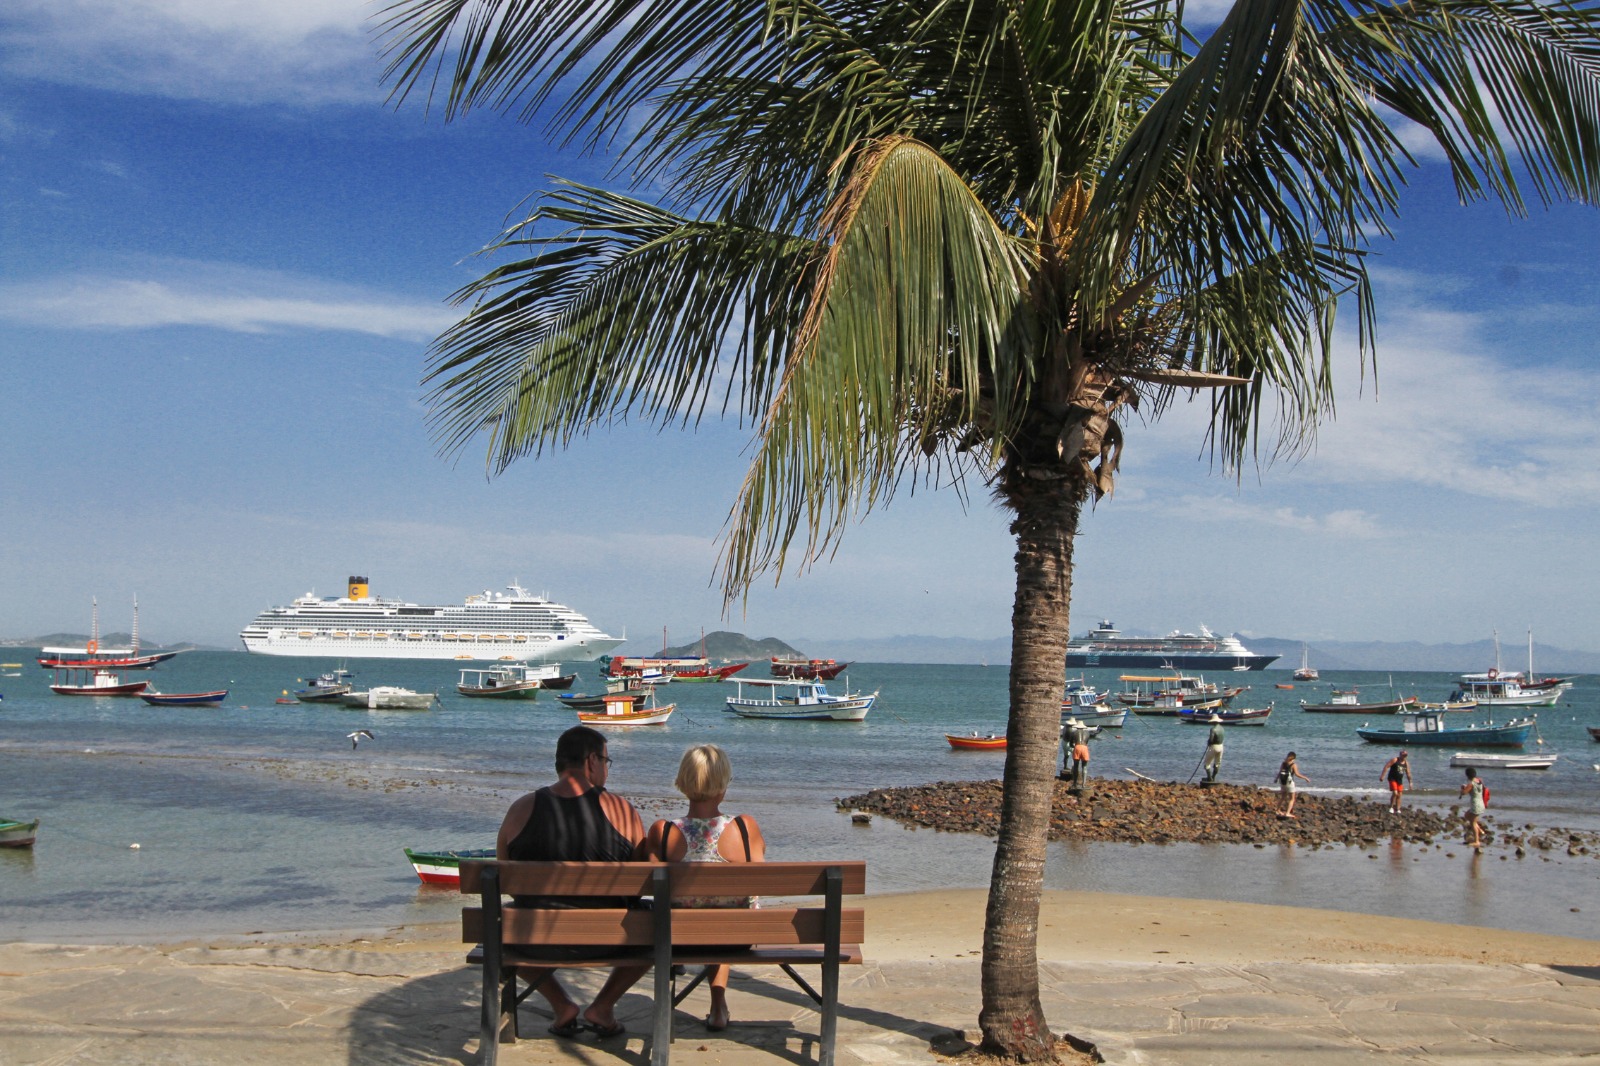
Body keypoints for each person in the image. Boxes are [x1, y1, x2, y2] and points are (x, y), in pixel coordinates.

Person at [496, 725, 649, 1040]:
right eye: (607, 762)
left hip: (532, 939)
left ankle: (562, 1004)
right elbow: (643, 880)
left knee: (502, 927)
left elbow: (505, 878)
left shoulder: (520, 809)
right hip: (610, 939)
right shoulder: (622, 811)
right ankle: (603, 1006)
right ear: (591, 761)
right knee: (655, 926)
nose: (607, 769)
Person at [645, 744, 767, 1032]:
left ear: (682, 783)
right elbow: (759, 878)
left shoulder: (662, 832)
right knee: (727, 912)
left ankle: (712, 1001)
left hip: (680, 937)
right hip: (738, 936)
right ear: (723, 785)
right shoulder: (745, 828)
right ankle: (718, 1003)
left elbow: (648, 882)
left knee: (699, 912)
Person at [1460, 767, 1487, 848]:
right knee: (1467, 816)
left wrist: (1462, 788)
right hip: (1481, 803)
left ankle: (1477, 841)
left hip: (1475, 804)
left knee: (1473, 823)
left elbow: (1464, 793)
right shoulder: (1479, 781)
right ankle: (1480, 831)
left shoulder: (1471, 783)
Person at [1277, 751, 1308, 818]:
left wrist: (1276, 779)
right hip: (1289, 783)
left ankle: (1278, 810)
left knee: (1282, 797)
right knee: (1292, 798)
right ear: (1294, 758)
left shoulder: (1283, 763)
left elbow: (1279, 772)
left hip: (1282, 782)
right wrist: (1305, 778)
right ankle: (1287, 813)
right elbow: (1297, 774)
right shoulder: (1293, 765)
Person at [1201, 716, 1225, 783]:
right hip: (1221, 746)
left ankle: (1209, 778)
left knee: (1207, 763)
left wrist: (1208, 742)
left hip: (1214, 747)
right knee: (1217, 763)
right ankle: (1213, 777)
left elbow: (1211, 739)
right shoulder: (1222, 728)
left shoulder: (1213, 729)